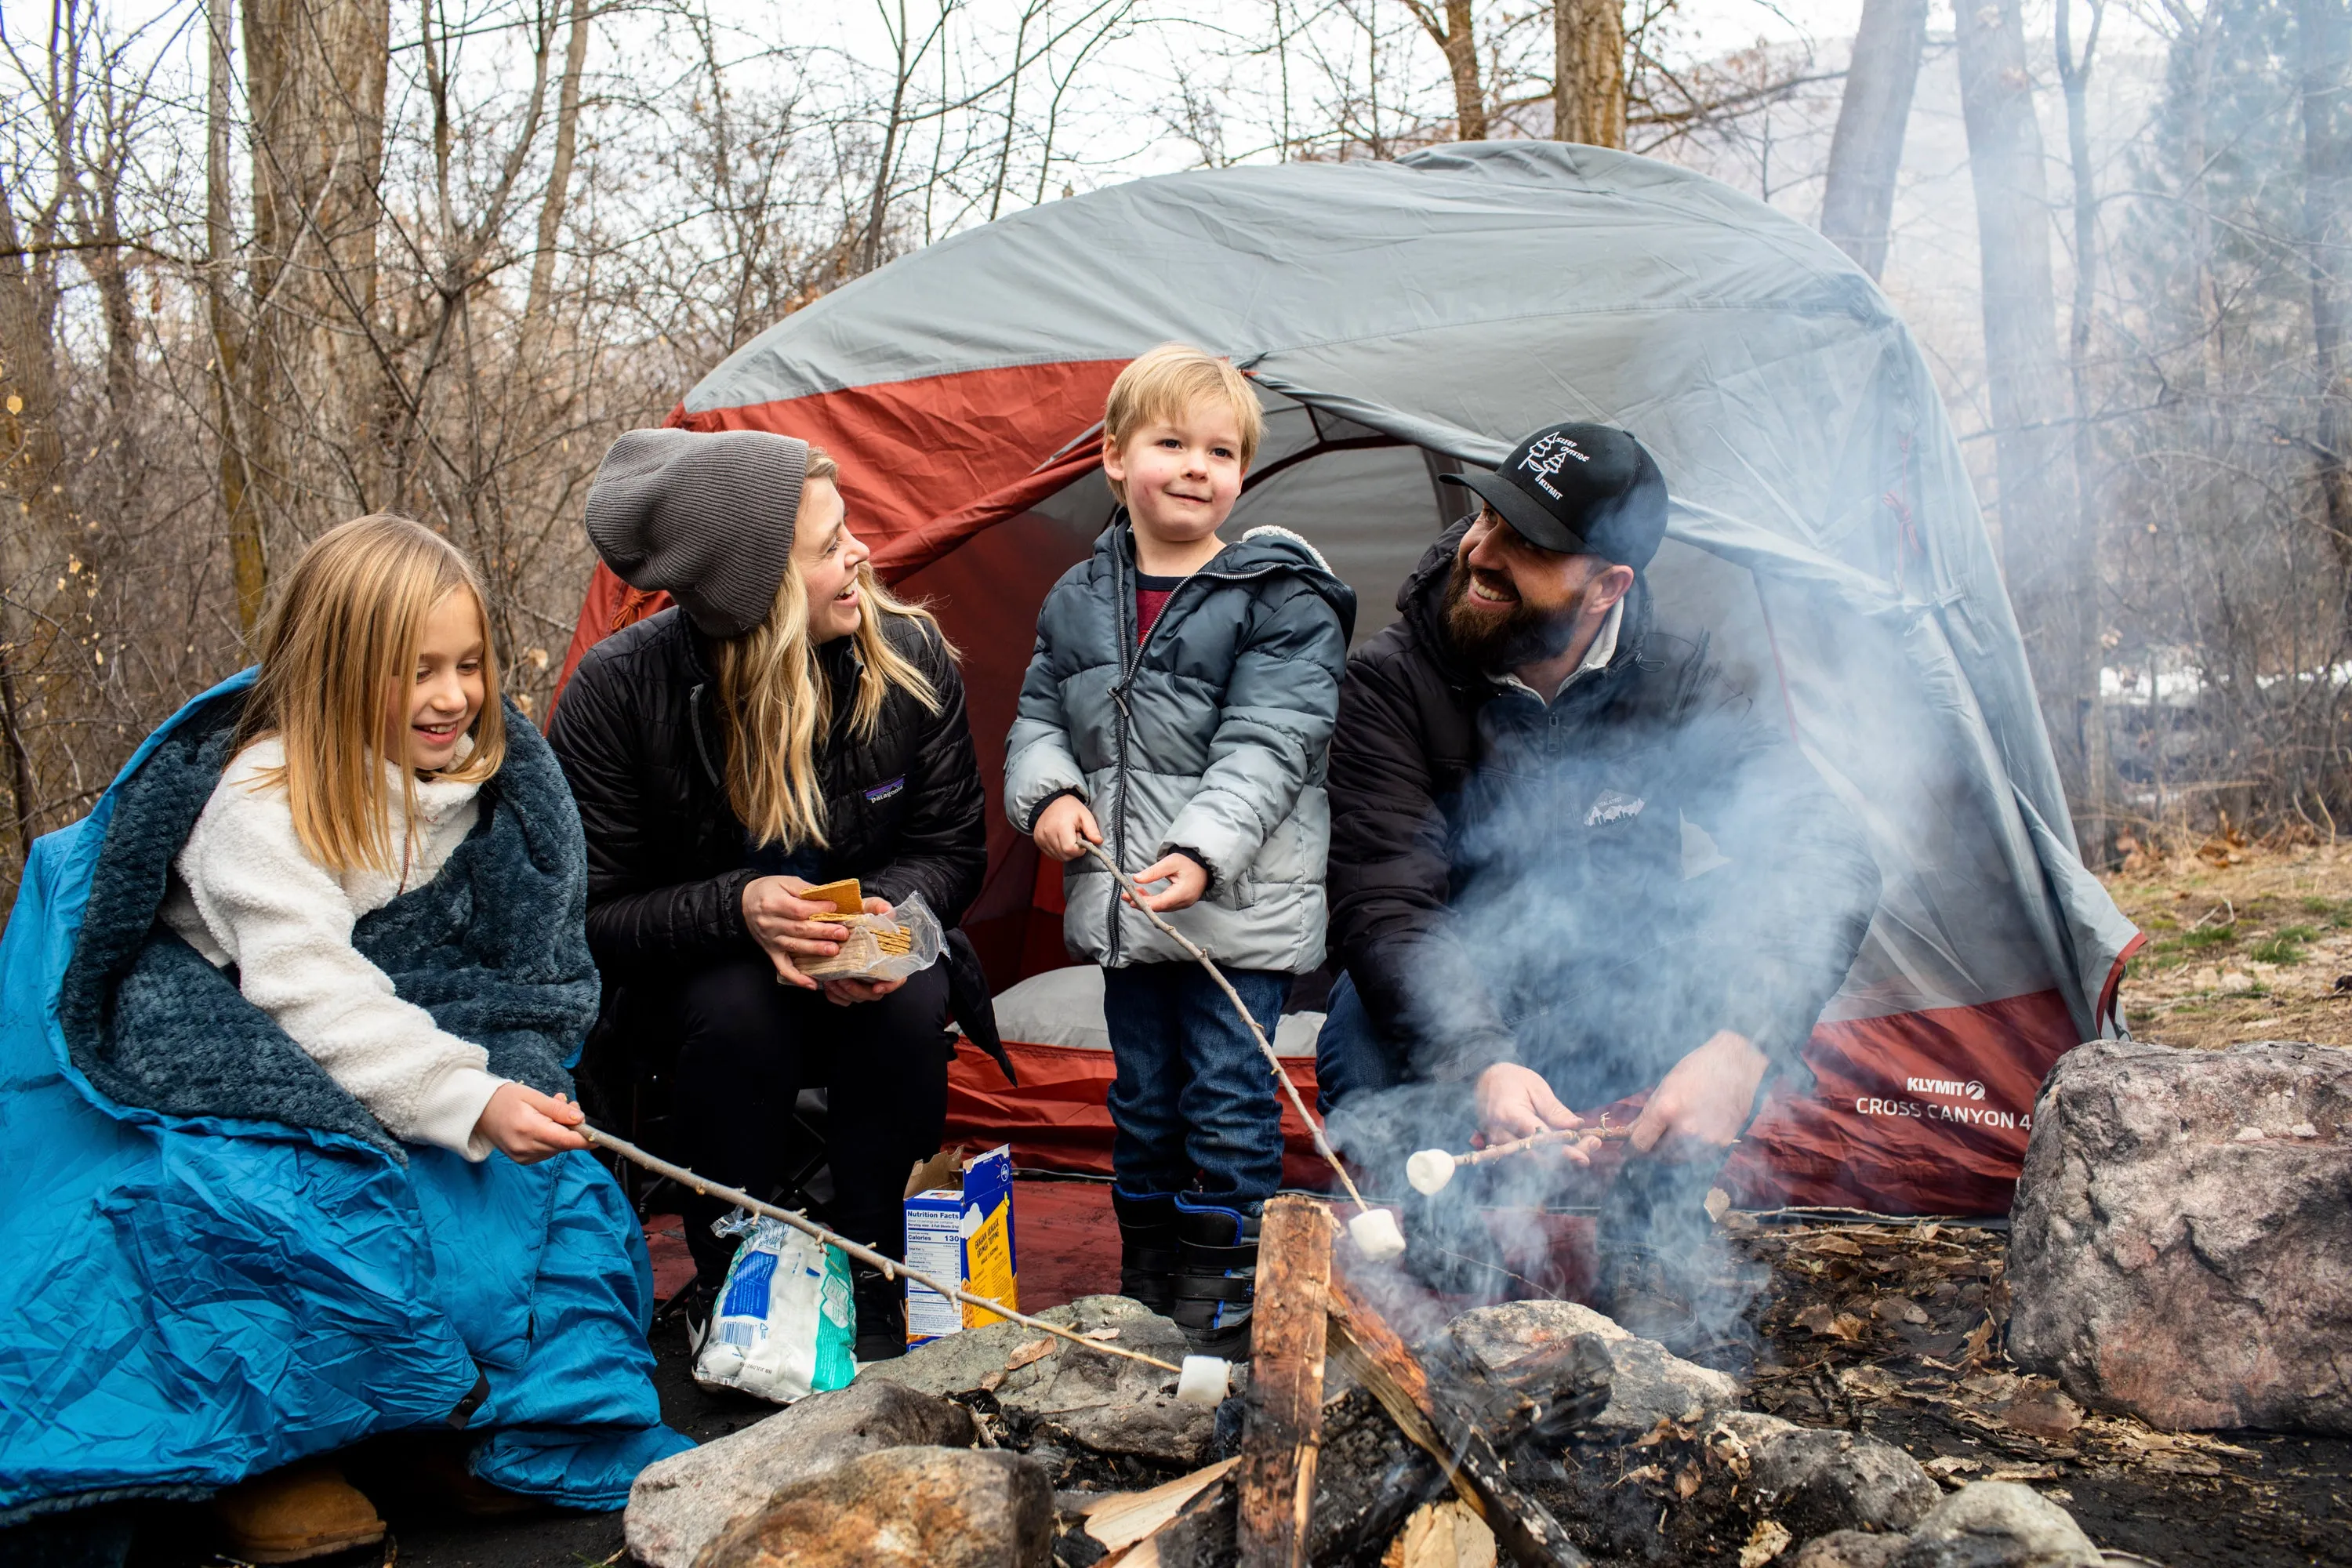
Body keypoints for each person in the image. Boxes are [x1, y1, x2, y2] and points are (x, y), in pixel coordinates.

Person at [0, 515, 685, 1562]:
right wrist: (469, 1097)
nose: (452, 697)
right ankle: (263, 1458)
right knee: (261, 1205)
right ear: (335, 672)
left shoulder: (484, 776)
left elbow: (519, 955)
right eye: (416, 672)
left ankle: (455, 1431)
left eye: (468, 666)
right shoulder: (263, 800)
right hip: (234, 1037)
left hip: (416, 1036)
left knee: (549, 1196)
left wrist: (508, 1072)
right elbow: (309, 992)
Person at [1317, 422, 1880, 1338]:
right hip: (1463, 1000)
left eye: (1527, 545)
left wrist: (1743, 1044)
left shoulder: (1676, 677)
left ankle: (1651, 1240)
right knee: (1359, 1030)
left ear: (1606, 584)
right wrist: (1481, 1058)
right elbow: (1386, 903)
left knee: (1725, 963)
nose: (1482, 553)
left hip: (1617, 987)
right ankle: (1438, 1245)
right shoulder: (1393, 681)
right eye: (1487, 516)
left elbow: (1828, 851)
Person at [547, 428, 991, 1362]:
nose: (861, 554)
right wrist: (738, 909)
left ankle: (877, 1266)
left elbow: (951, 852)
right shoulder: (620, 692)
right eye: (829, 547)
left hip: (866, 970)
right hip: (697, 991)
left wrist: (881, 928)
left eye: (849, 530)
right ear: (754, 590)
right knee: (741, 1005)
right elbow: (587, 917)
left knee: (912, 994)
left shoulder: (904, 658)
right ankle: (739, 1271)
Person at [1004, 343, 1355, 1357]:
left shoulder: (1278, 595)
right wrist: (1051, 796)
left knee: (1229, 1108)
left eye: (1222, 450)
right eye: (1172, 444)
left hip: (1234, 913)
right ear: (1116, 458)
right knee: (1144, 1106)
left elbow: (1270, 743)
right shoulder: (1076, 598)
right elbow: (1036, 717)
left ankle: (1233, 1308)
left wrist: (1202, 852)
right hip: (1124, 910)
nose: (1199, 467)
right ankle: (1147, 1290)